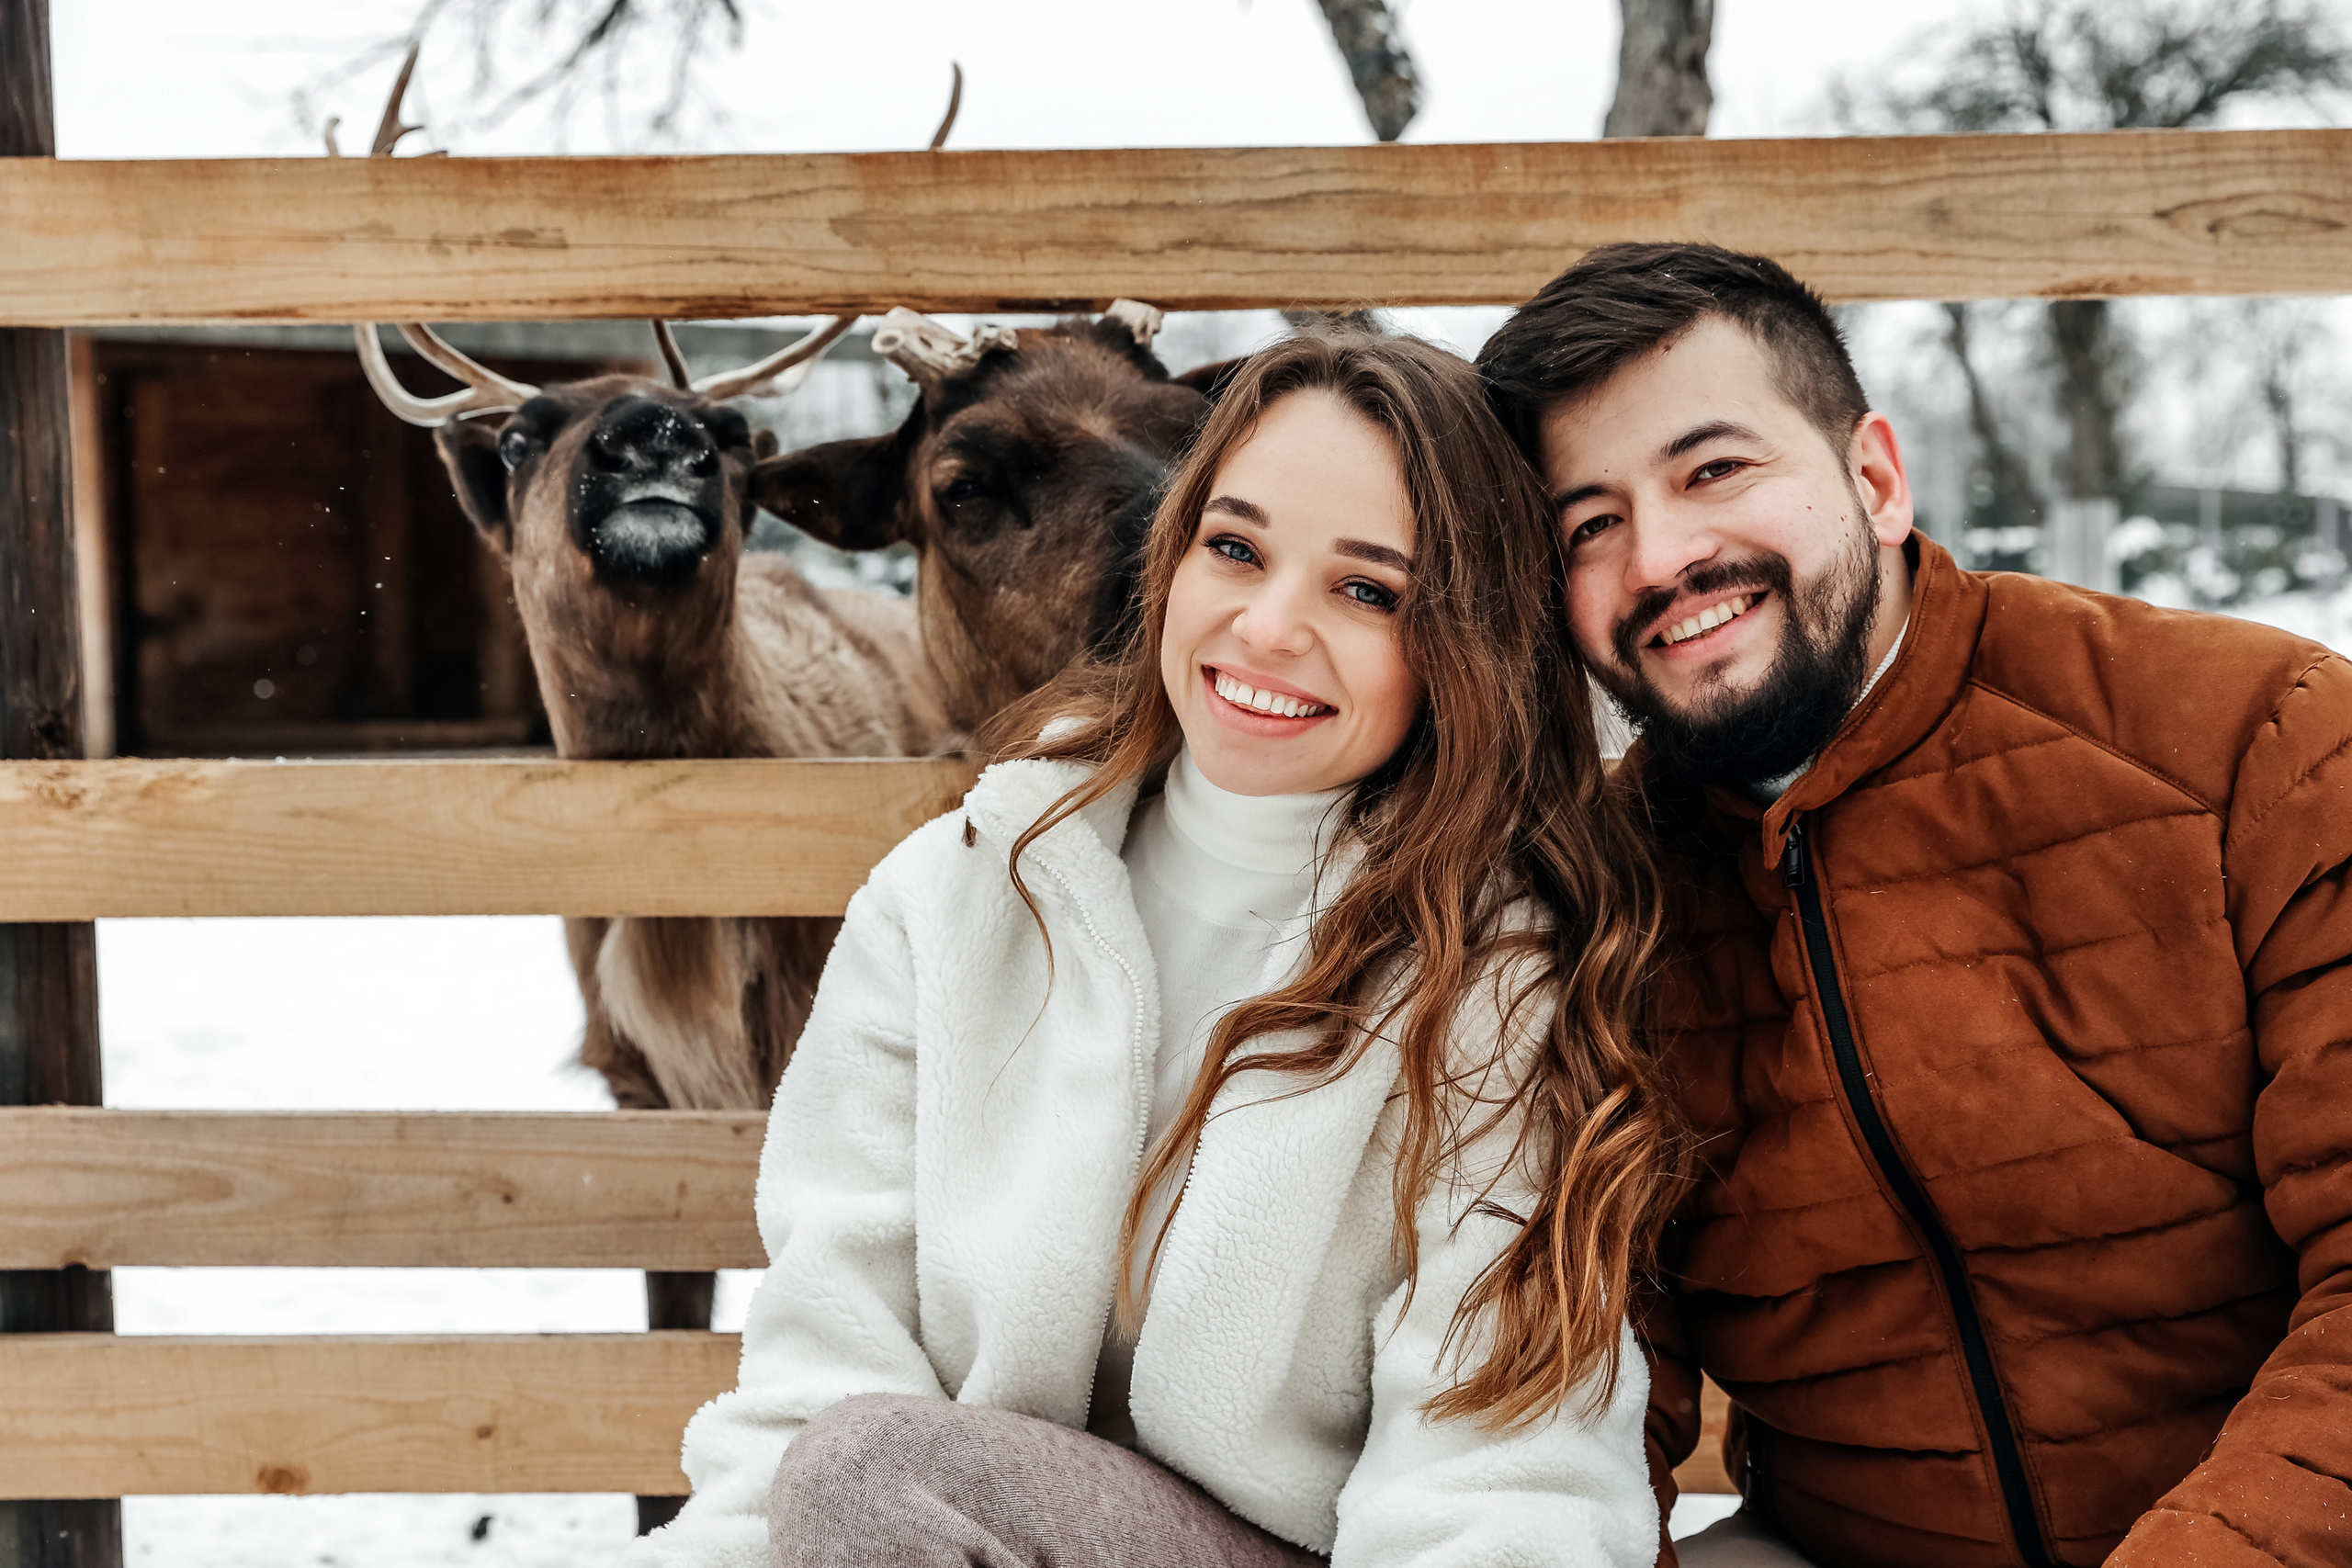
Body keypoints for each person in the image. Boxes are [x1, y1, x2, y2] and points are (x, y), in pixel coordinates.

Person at [624, 331, 1683, 1568]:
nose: (1269, 626)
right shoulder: (949, 902)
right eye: (1234, 548)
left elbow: (1503, 1467)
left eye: (1367, 589)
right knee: (854, 1471)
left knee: (874, 1473)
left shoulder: (1491, 974)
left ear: (1463, 637)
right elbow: (823, 1358)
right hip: (961, 1533)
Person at [1476, 242, 2352, 1568]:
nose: (1662, 557)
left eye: (1715, 470)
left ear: (1874, 478)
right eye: (1590, 525)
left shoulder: (2251, 739)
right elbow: (1585, 1391)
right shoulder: (1601, 890)